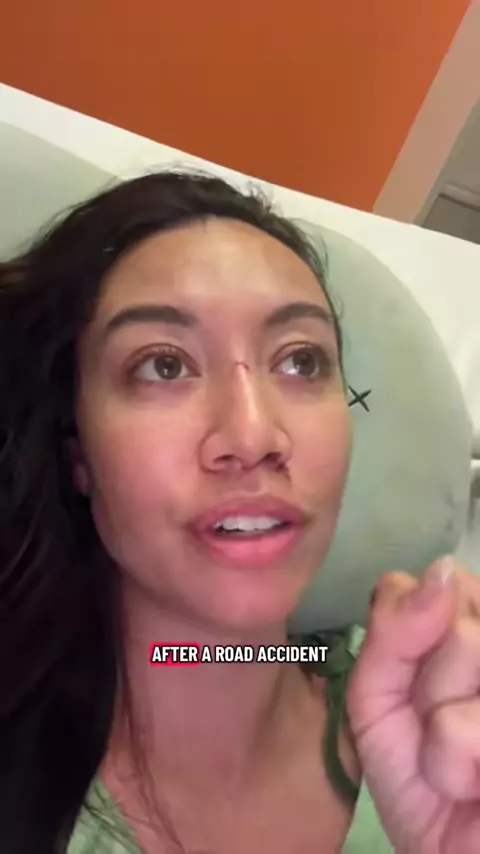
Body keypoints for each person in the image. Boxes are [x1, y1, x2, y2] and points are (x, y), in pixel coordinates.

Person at [0, 171, 478, 854]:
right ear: (77, 451)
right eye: (164, 366)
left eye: (301, 361)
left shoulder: (446, 715)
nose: (253, 437)